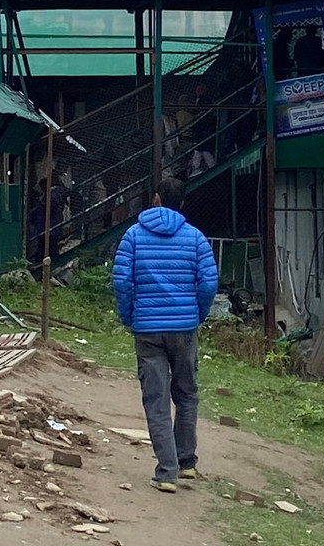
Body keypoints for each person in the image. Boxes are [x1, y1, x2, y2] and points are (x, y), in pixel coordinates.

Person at [112, 177, 218, 493]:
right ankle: (187, 463)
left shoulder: (132, 236)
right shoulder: (196, 238)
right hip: (184, 327)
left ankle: (167, 472)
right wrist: (197, 314)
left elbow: (121, 283)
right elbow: (209, 283)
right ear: (181, 203)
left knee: (156, 399)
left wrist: (130, 315)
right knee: (186, 393)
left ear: (156, 199)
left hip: (147, 329)